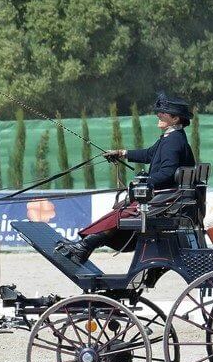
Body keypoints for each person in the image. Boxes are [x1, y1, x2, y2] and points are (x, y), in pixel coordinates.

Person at [59, 92, 196, 264]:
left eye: (163, 113)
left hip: (162, 201)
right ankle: (84, 246)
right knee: (119, 212)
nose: (158, 115)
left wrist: (144, 183)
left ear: (175, 119)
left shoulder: (173, 141)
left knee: (119, 215)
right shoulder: (173, 138)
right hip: (165, 199)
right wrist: (122, 153)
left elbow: (168, 172)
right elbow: (149, 154)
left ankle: (84, 247)